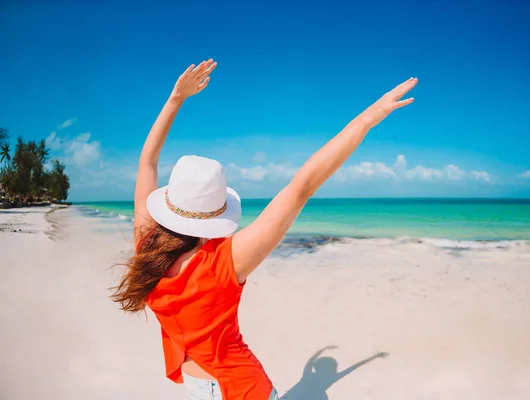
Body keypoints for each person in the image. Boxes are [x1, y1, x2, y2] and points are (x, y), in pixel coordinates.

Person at [111, 58, 417, 400]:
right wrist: (366, 119)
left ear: (171, 202)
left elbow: (147, 161)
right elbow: (302, 186)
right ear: (216, 214)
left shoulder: (147, 246)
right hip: (240, 388)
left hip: (195, 382)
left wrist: (175, 99)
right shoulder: (224, 262)